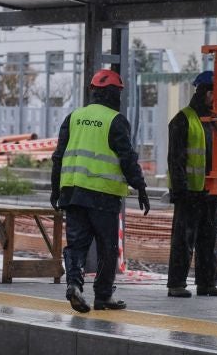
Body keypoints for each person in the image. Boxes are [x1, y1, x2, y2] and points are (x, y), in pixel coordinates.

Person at [50, 69, 151, 313]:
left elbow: (58, 157)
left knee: (76, 245)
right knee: (108, 247)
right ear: (113, 93)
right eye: (118, 92)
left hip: (73, 192)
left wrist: (55, 189)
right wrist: (140, 186)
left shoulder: (73, 117)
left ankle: (74, 284)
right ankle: (103, 295)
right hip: (103, 195)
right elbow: (127, 158)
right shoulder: (115, 120)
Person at [166, 70, 217, 298]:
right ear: (203, 92)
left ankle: (207, 284)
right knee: (183, 240)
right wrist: (180, 190)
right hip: (189, 193)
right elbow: (176, 159)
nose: (216, 98)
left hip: (210, 192)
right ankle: (176, 284)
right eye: (213, 92)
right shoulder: (183, 119)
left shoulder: (215, 121)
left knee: (209, 241)